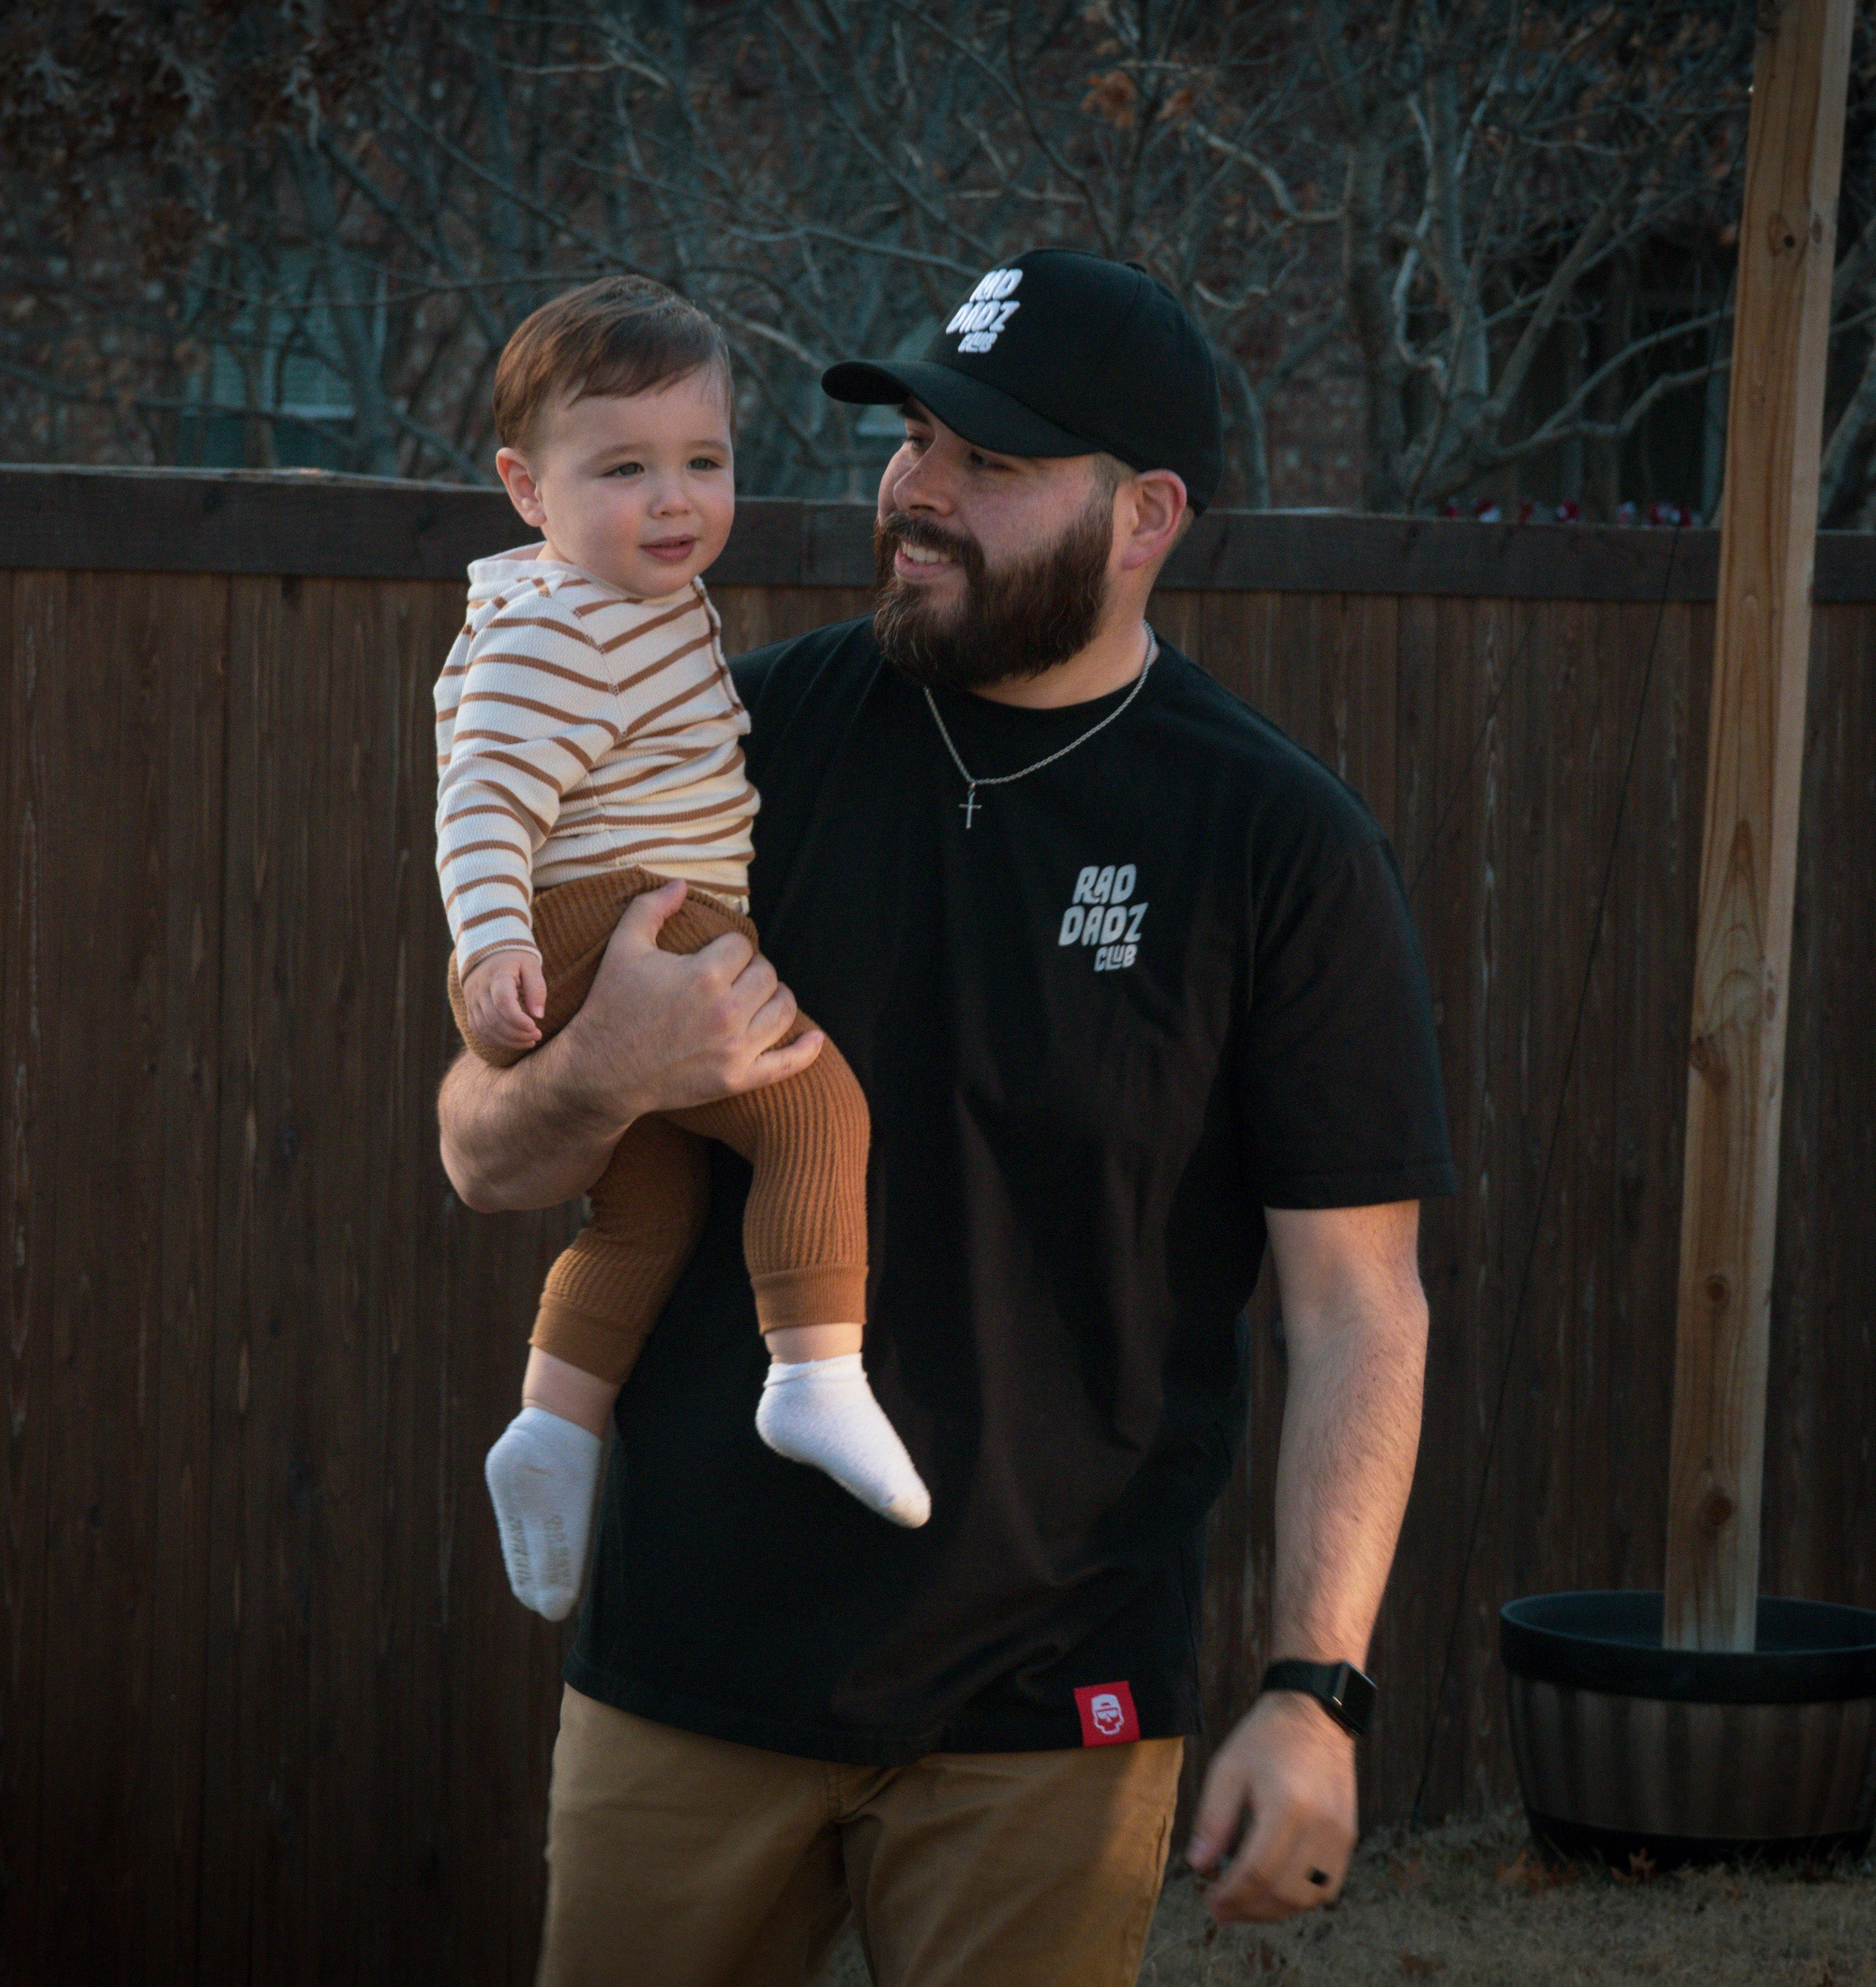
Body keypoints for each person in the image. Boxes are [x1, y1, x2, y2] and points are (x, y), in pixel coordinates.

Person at [437, 249, 1452, 1986]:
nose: (917, 489)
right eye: (914, 437)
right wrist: (610, 1064)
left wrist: (1313, 1688)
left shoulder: (1272, 845)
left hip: (1049, 1699)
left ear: (1142, 518)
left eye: (989, 460)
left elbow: (1356, 1305)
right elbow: (479, 1146)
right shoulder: (734, 740)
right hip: (690, 1668)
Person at [439, 276, 935, 1625]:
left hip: (610, 913)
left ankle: (553, 1425)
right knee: (816, 1114)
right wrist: (490, 944)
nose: (673, 500)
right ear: (525, 488)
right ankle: (814, 1376)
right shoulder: (564, 624)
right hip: (625, 914)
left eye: (702, 462)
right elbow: (483, 796)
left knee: (645, 1209)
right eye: (623, 469)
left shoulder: (621, 603)